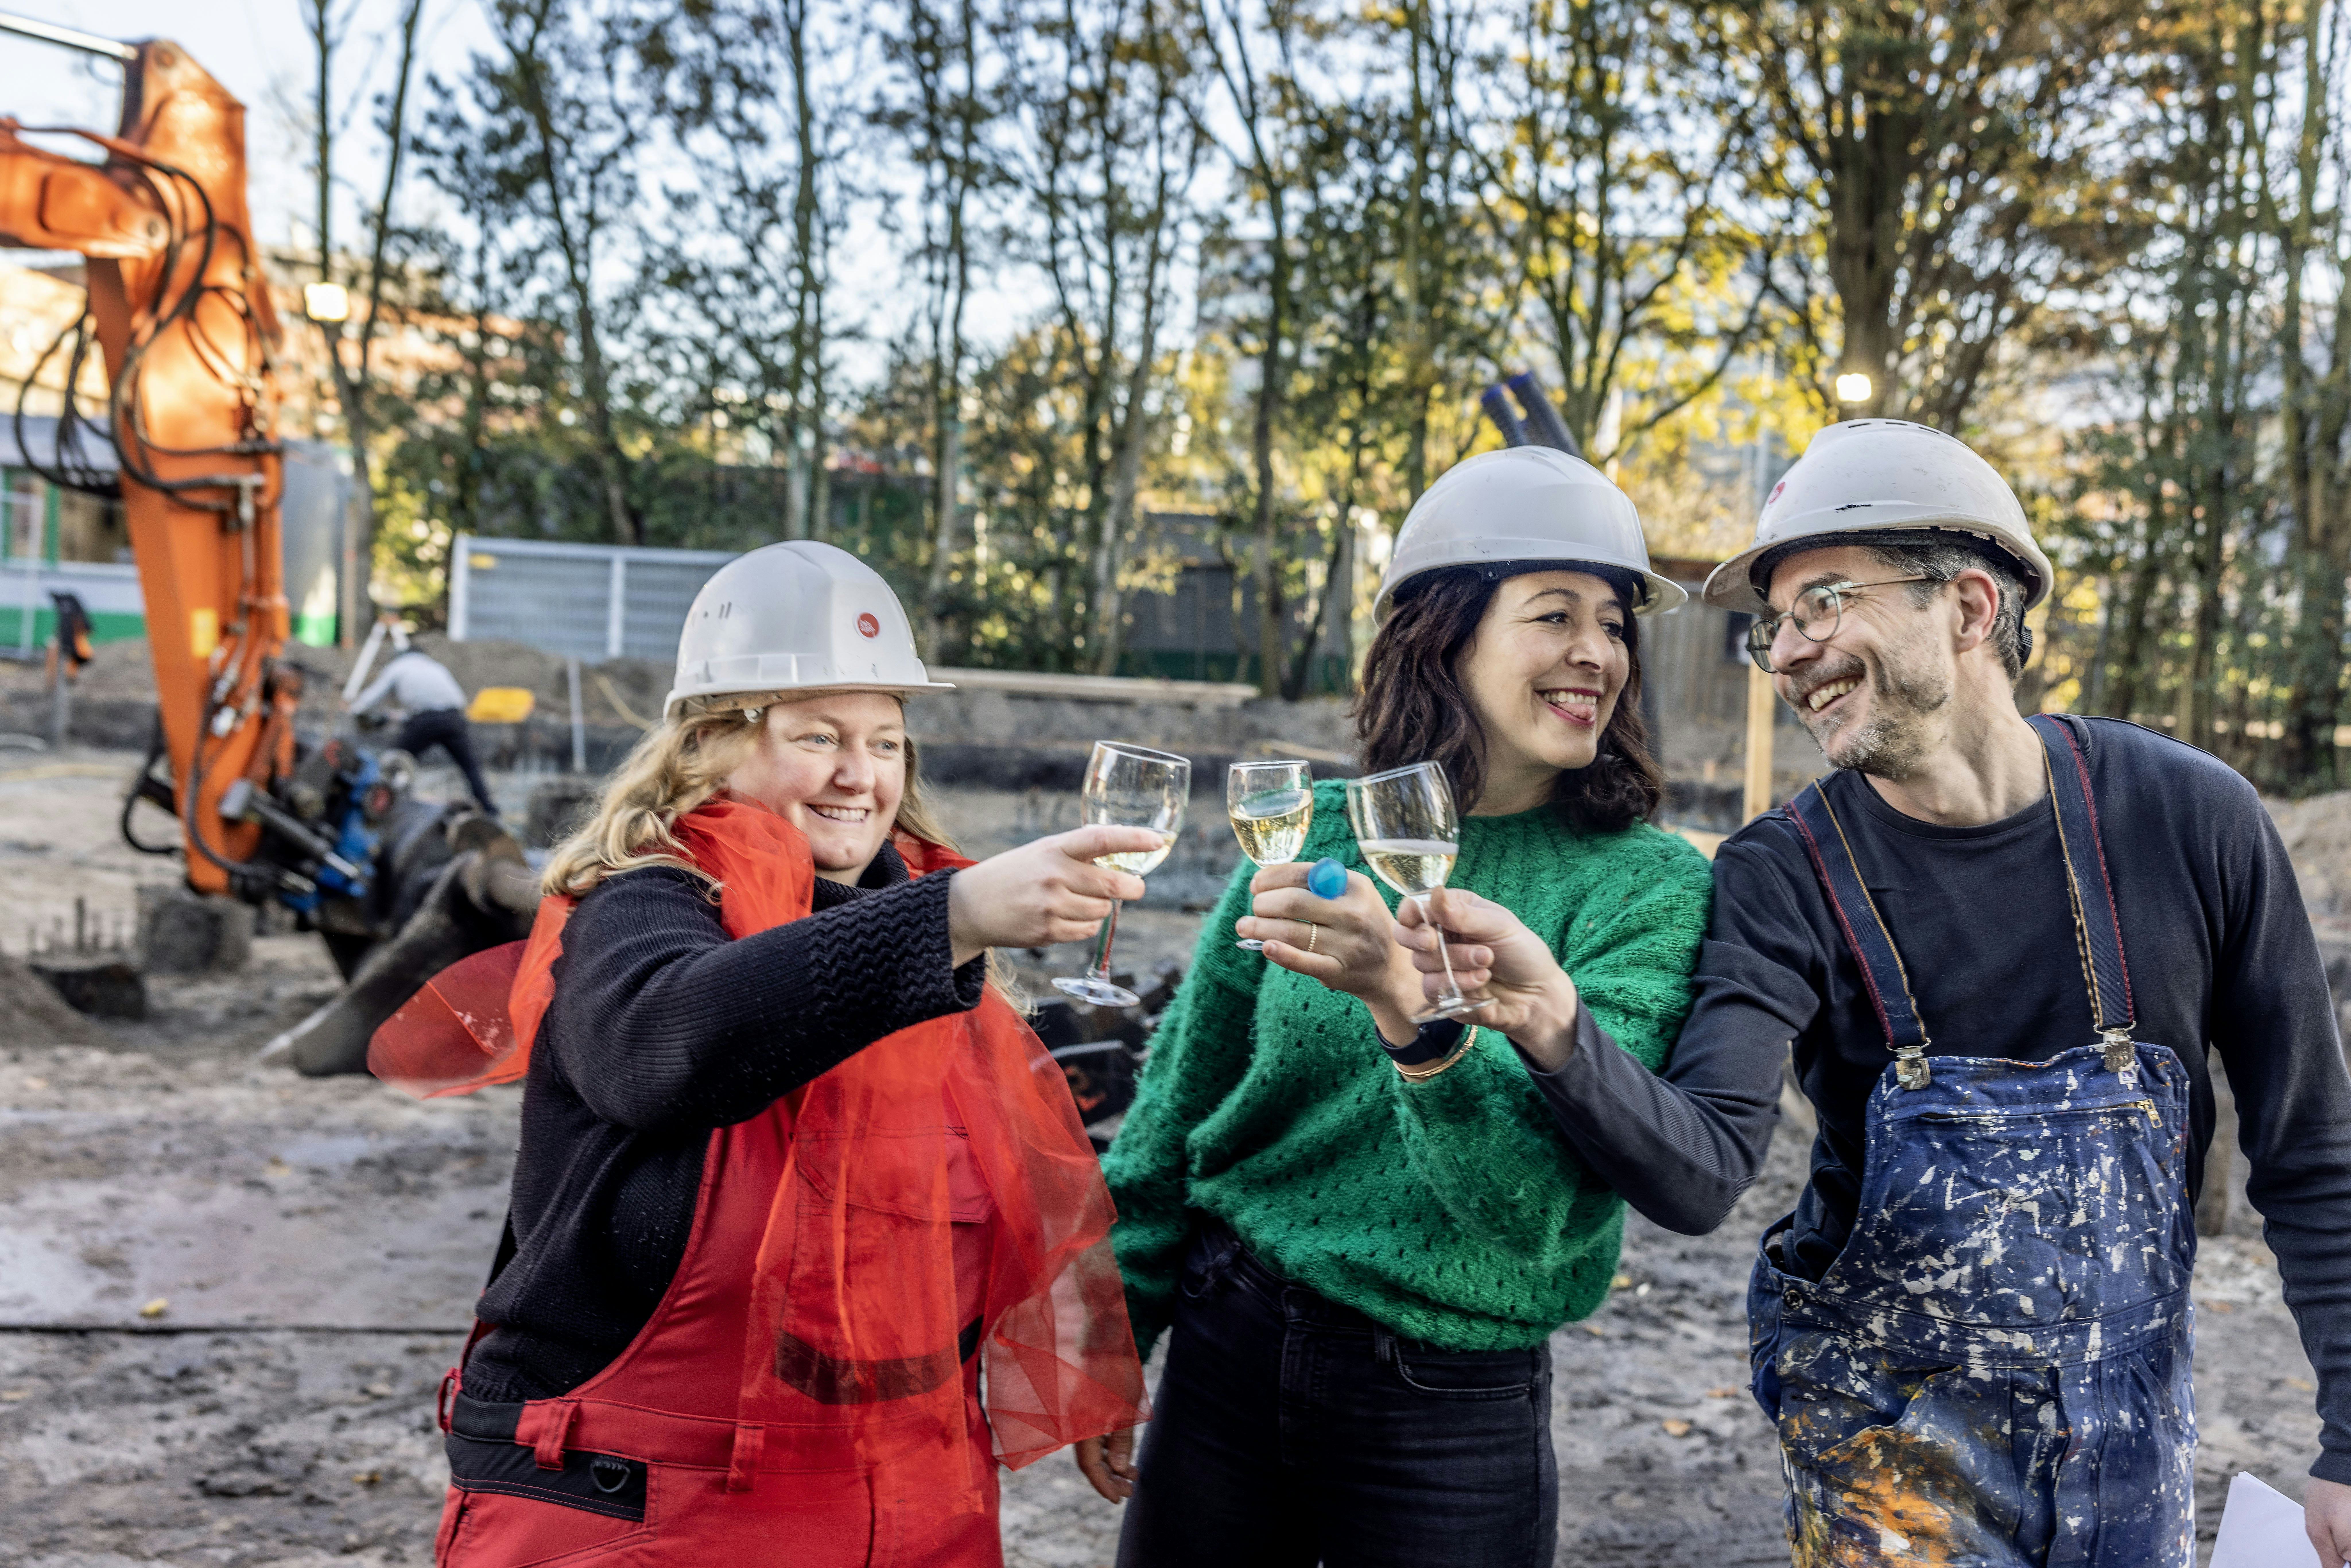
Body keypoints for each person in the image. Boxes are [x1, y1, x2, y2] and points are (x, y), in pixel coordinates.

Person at [1668, 418, 2351, 1566]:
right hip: (1886, 1483)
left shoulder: (2193, 820)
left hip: (2128, 1458)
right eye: (1773, 625)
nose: (1785, 653)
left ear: (1971, 609)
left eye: (1823, 602)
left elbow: (2312, 1153)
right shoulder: (1779, 875)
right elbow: (1695, 1161)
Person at [1084, 446, 1782, 1568]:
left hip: (1447, 1405)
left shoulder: (1645, 888)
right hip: (1228, 1344)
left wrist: (1413, 1016)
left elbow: (1533, 1211)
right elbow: (1172, 1116)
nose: (1595, 653)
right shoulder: (1310, 833)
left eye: (1613, 625)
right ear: (1441, 634)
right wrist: (1114, 1343)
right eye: (1554, 615)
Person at [412, 541, 1149, 1565]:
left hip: (914, 1499)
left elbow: (1005, 1212)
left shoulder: (933, 944)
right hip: (646, 1509)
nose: (861, 773)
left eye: (886, 740)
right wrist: (951, 915)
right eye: (818, 735)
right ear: (710, 743)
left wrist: (1090, 1365)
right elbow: (670, 1041)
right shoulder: (642, 905)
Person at [348, 639, 498, 813]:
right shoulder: (436, 667)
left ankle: (386, 806)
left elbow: (375, 694)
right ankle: (489, 808)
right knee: (469, 766)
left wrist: (356, 708)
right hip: (453, 718)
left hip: (425, 720)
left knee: (397, 763)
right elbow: (453, 700)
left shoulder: (399, 666)